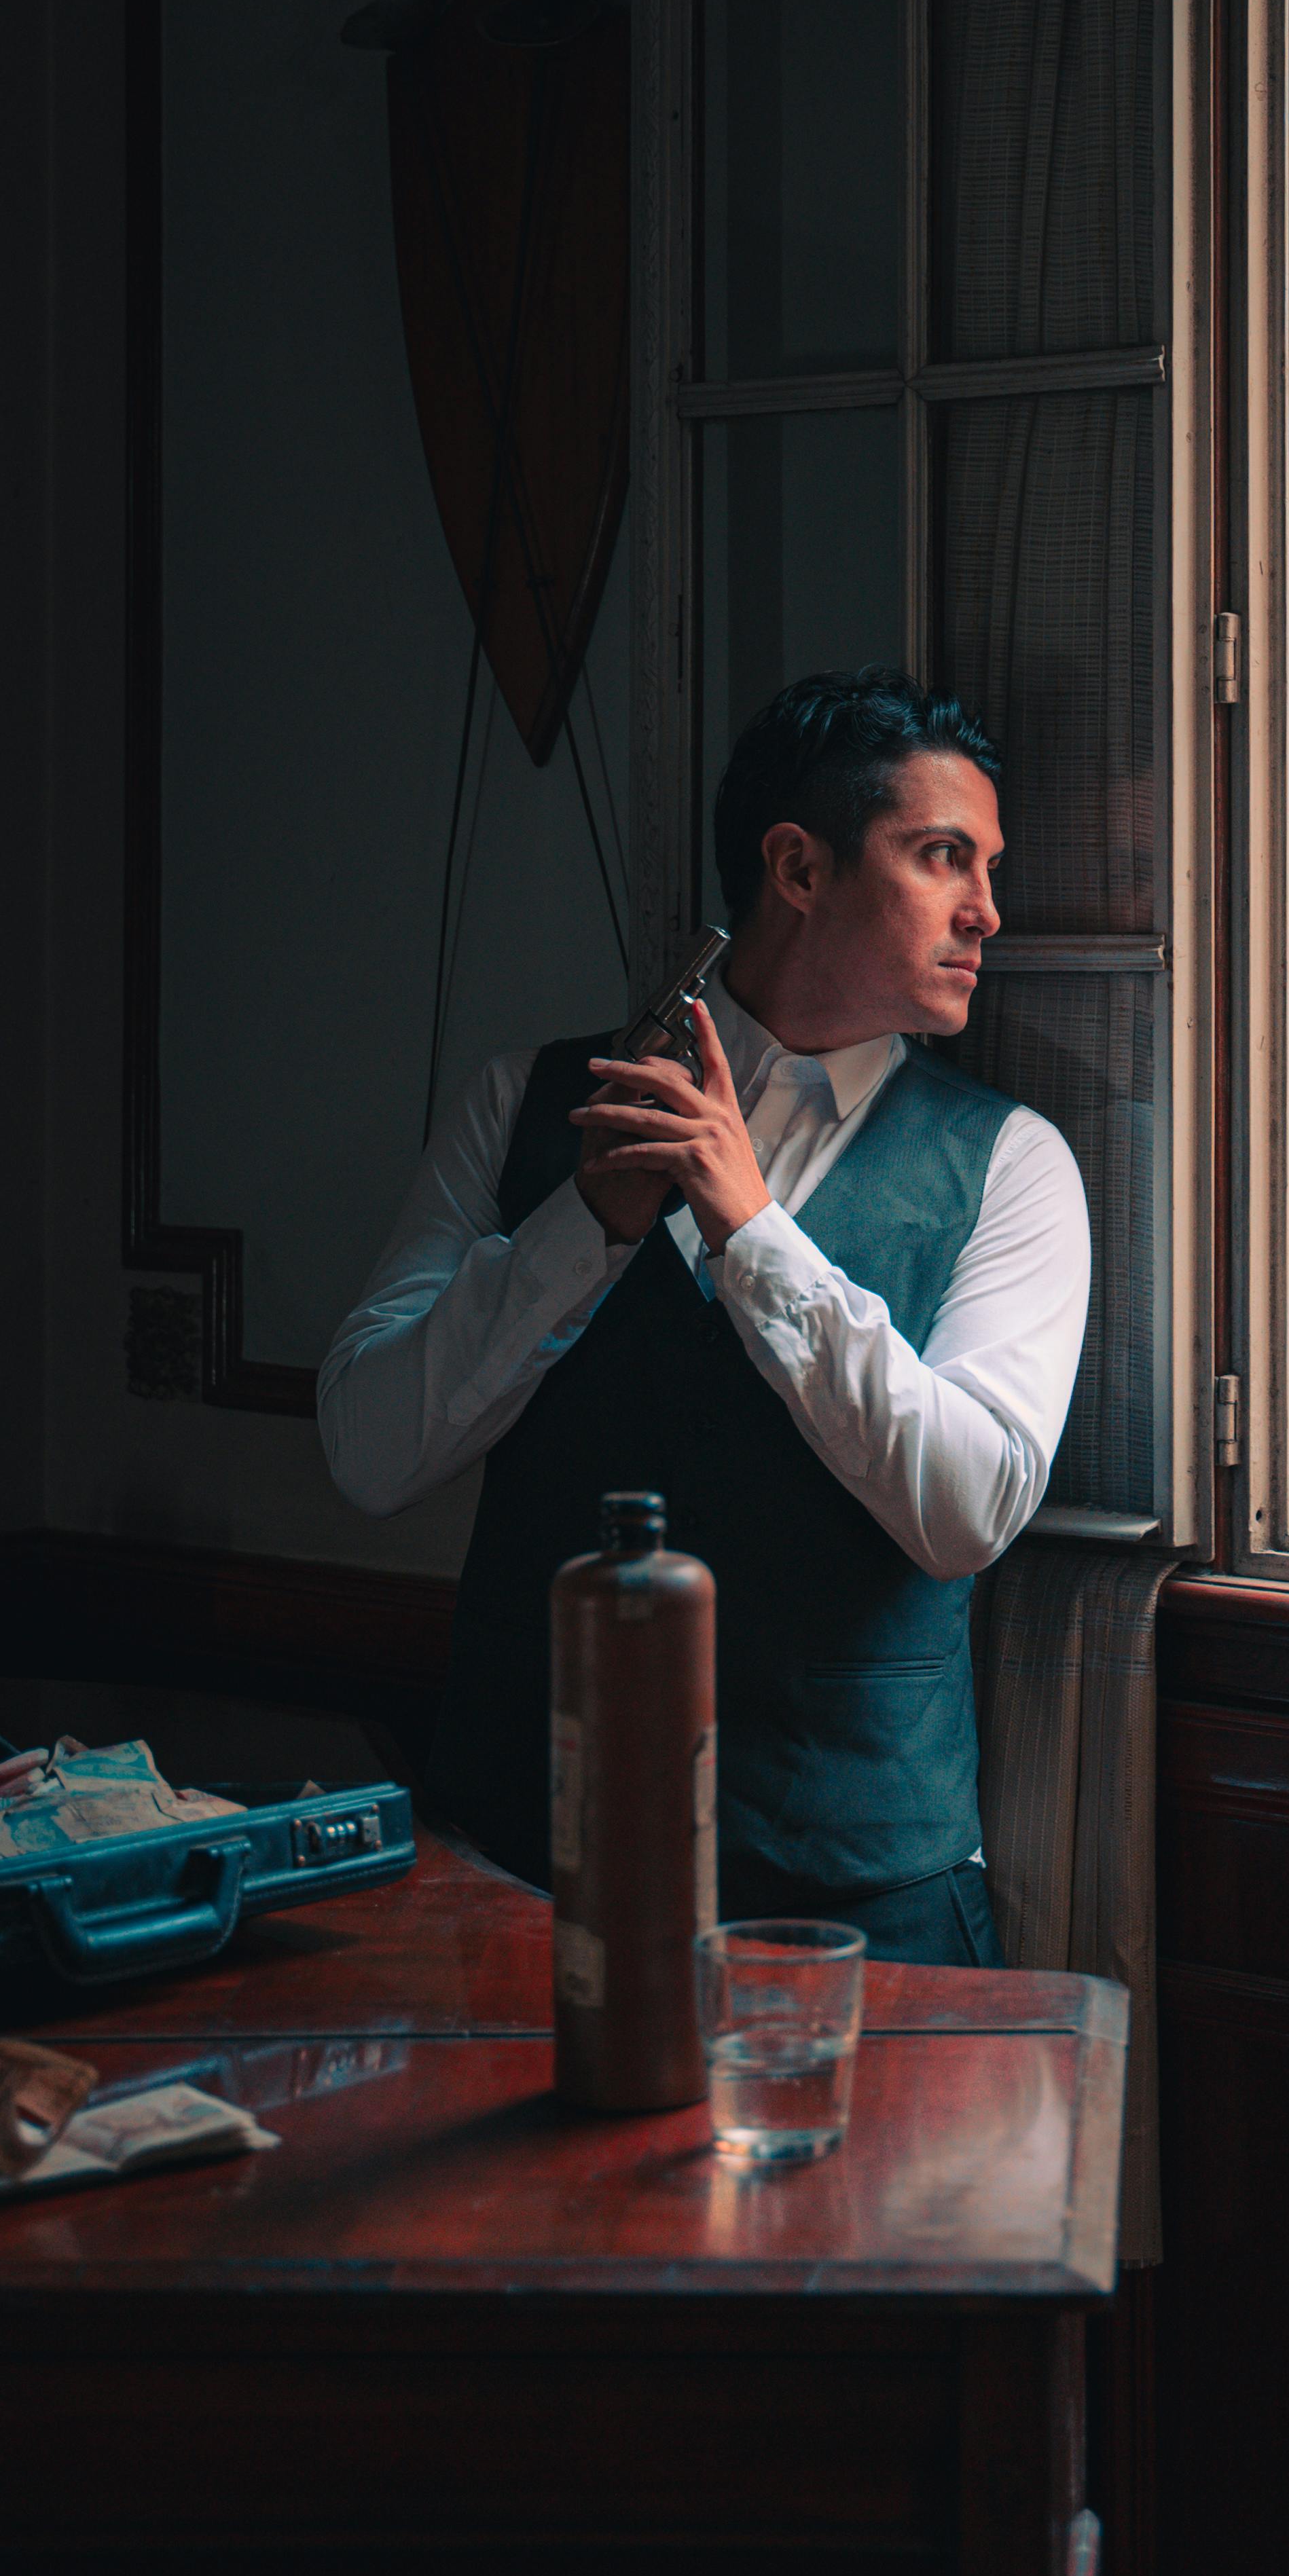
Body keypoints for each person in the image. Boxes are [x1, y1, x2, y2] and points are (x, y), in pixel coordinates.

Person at [319, 669, 1091, 1966]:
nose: (987, 912)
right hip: (526, 1878)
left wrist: (754, 1236)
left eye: (986, 865)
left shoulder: (1014, 1166)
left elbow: (968, 1511)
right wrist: (582, 1229)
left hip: (861, 1910)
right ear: (798, 868)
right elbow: (367, 1452)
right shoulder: (526, 1108)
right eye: (942, 857)